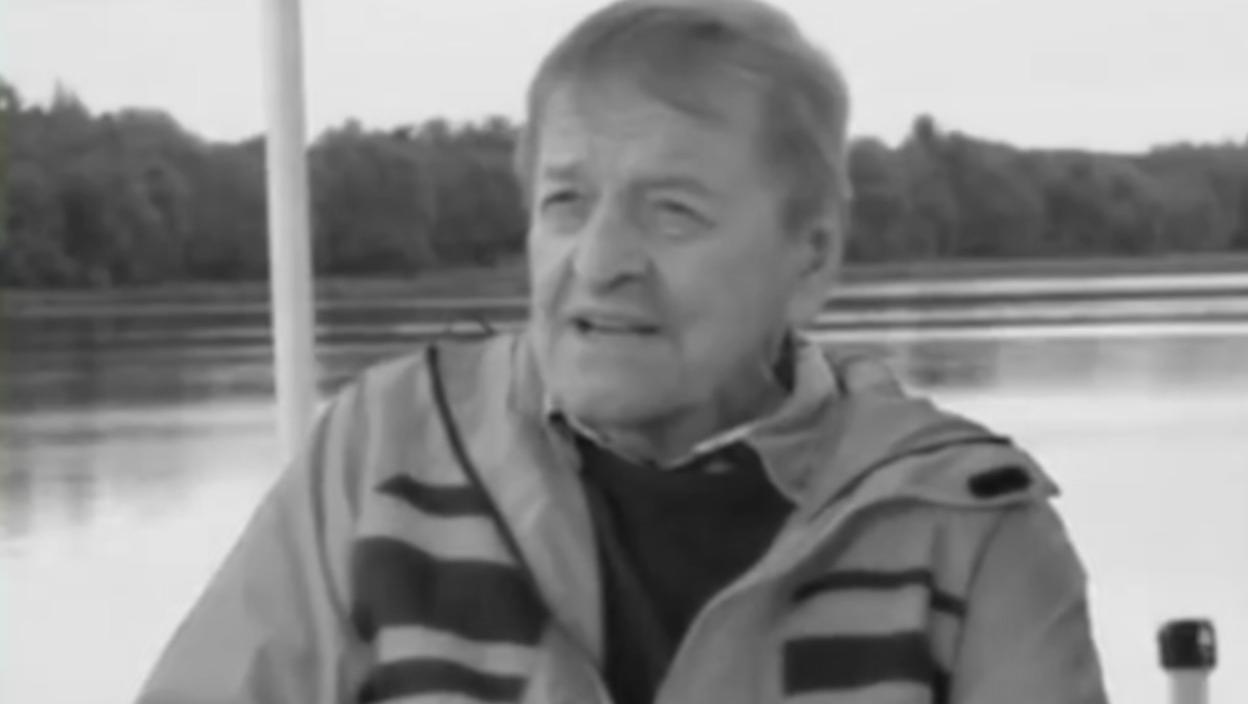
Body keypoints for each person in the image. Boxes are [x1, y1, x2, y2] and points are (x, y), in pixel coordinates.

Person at [137, 0, 1109, 702]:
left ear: (810, 257)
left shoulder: (966, 527)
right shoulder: (384, 454)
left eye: (672, 211)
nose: (601, 260)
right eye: (567, 202)